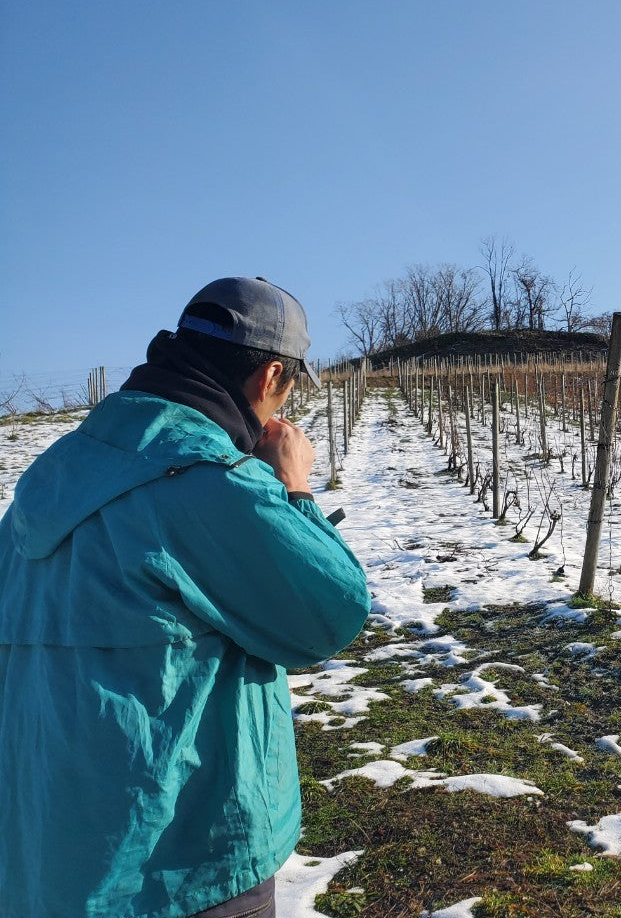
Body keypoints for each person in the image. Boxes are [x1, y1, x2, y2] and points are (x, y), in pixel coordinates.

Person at [0, 277, 371, 918]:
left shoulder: (54, 471)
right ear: (271, 377)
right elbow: (330, 611)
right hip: (180, 858)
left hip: (49, 850)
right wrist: (294, 488)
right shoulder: (209, 483)